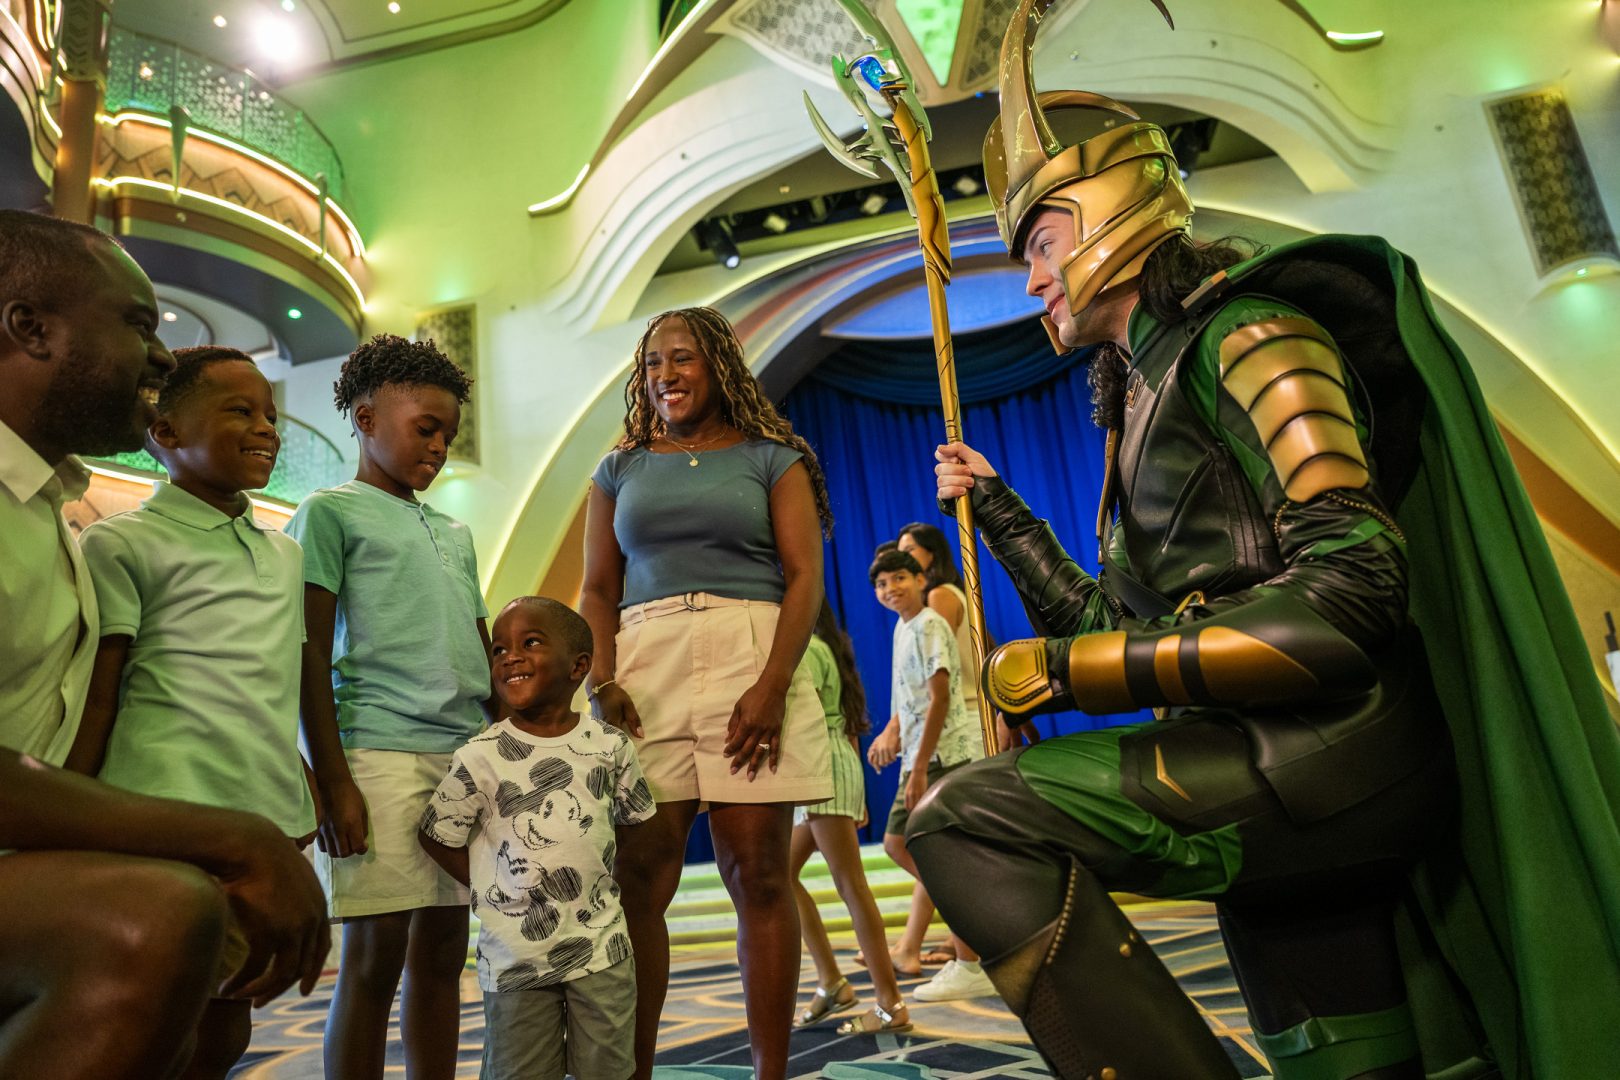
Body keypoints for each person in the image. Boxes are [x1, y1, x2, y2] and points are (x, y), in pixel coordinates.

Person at [907, 2, 1620, 1078]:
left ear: (1110, 212)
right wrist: (1004, 518)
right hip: (1257, 753)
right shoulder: (1140, 396)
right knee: (1340, 1053)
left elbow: (1352, 593)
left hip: (1333, 750)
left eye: (1042, 243)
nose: (1035, 278)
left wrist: (1067, 671)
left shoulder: (1253, 335)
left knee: (962, 819)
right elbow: (1119, 620)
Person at [0, 208, 328, 1080]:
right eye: (138, 324)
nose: (158, 355)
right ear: (30, 327)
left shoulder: (49, 513)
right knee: (161, 915)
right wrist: (233, 838)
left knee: (201, 1017)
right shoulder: (118, 540)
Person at [580, 305, 834, 1080]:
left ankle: (769, 1072)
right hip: (645, 663)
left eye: (682, 358)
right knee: (638, 879)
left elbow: (805, 577)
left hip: (751, 652)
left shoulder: (773, 458)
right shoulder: (618, 468)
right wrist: (601, 678)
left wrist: (772, 684)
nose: (665, 375)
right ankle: (633, 1071)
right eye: (653, 363)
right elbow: (596, 590)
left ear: (719, 365)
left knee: (758, 872)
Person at [63, 345, 319, 1079]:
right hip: (165, 813)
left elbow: (273, 683)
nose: (266, 428)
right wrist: (67, 810)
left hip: (262, 813)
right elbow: (102, 690)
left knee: (229, 1021)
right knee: (155, 1016)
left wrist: (302, 788)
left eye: (271, 414)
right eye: (240, 410)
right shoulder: (121, 542)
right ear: (166, 432)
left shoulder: (284, 556)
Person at [288, 334, 493, 1080]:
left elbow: (482, 649)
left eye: (449, 435)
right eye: (426, 428)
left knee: (443, 954)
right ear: (367, 418)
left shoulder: (455, 532)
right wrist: (332, 778)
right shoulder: (328, 513)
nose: (439, 446)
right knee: (373, 960)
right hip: (376, 752)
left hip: (462, 756)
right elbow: (307, 654)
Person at [420, 596, 654, 1080]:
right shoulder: (479, 756)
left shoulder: (609, 746)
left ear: (579, 666)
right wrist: (492, 882)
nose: (510, 657)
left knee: (608, 1071)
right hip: (515, 958)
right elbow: (436, 835)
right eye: (499, 649)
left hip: (601, 948)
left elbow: (636, 824)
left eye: (530, 643)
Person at [866, 549, 992, 1003]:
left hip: (941, 754)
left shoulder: (931, 624)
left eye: (900, 578)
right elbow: (911, 697)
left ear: (921, 580)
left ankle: (971, 960)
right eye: (882, 584)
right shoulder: (904, 628)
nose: (891, 589)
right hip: (920, 753)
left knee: (919, 849)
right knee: (910, 849)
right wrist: (894, 739)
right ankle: (971, 945)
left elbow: (940, 698)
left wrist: (919, 766)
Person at [788, 600, 911, 1035]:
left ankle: (890, 1003)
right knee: (781, 875)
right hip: (823, 766)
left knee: (850, 885)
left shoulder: (808, 649)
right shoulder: (823, 647)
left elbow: (801, 720)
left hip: (821, 766)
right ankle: (832, 982)